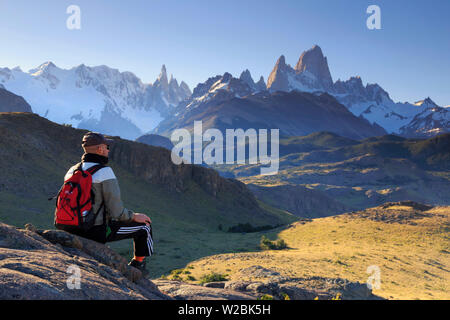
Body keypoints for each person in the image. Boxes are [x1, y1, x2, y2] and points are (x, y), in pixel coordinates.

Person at [62, 131, 153, 274]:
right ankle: (138, 266)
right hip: (94, 231)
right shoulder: (104, 172)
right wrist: (134, 216)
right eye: (107, 147)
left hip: (68, 227)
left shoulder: (72, 170)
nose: (108, 150)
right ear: (100, 149)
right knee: (144, 227)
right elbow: (116, 211)